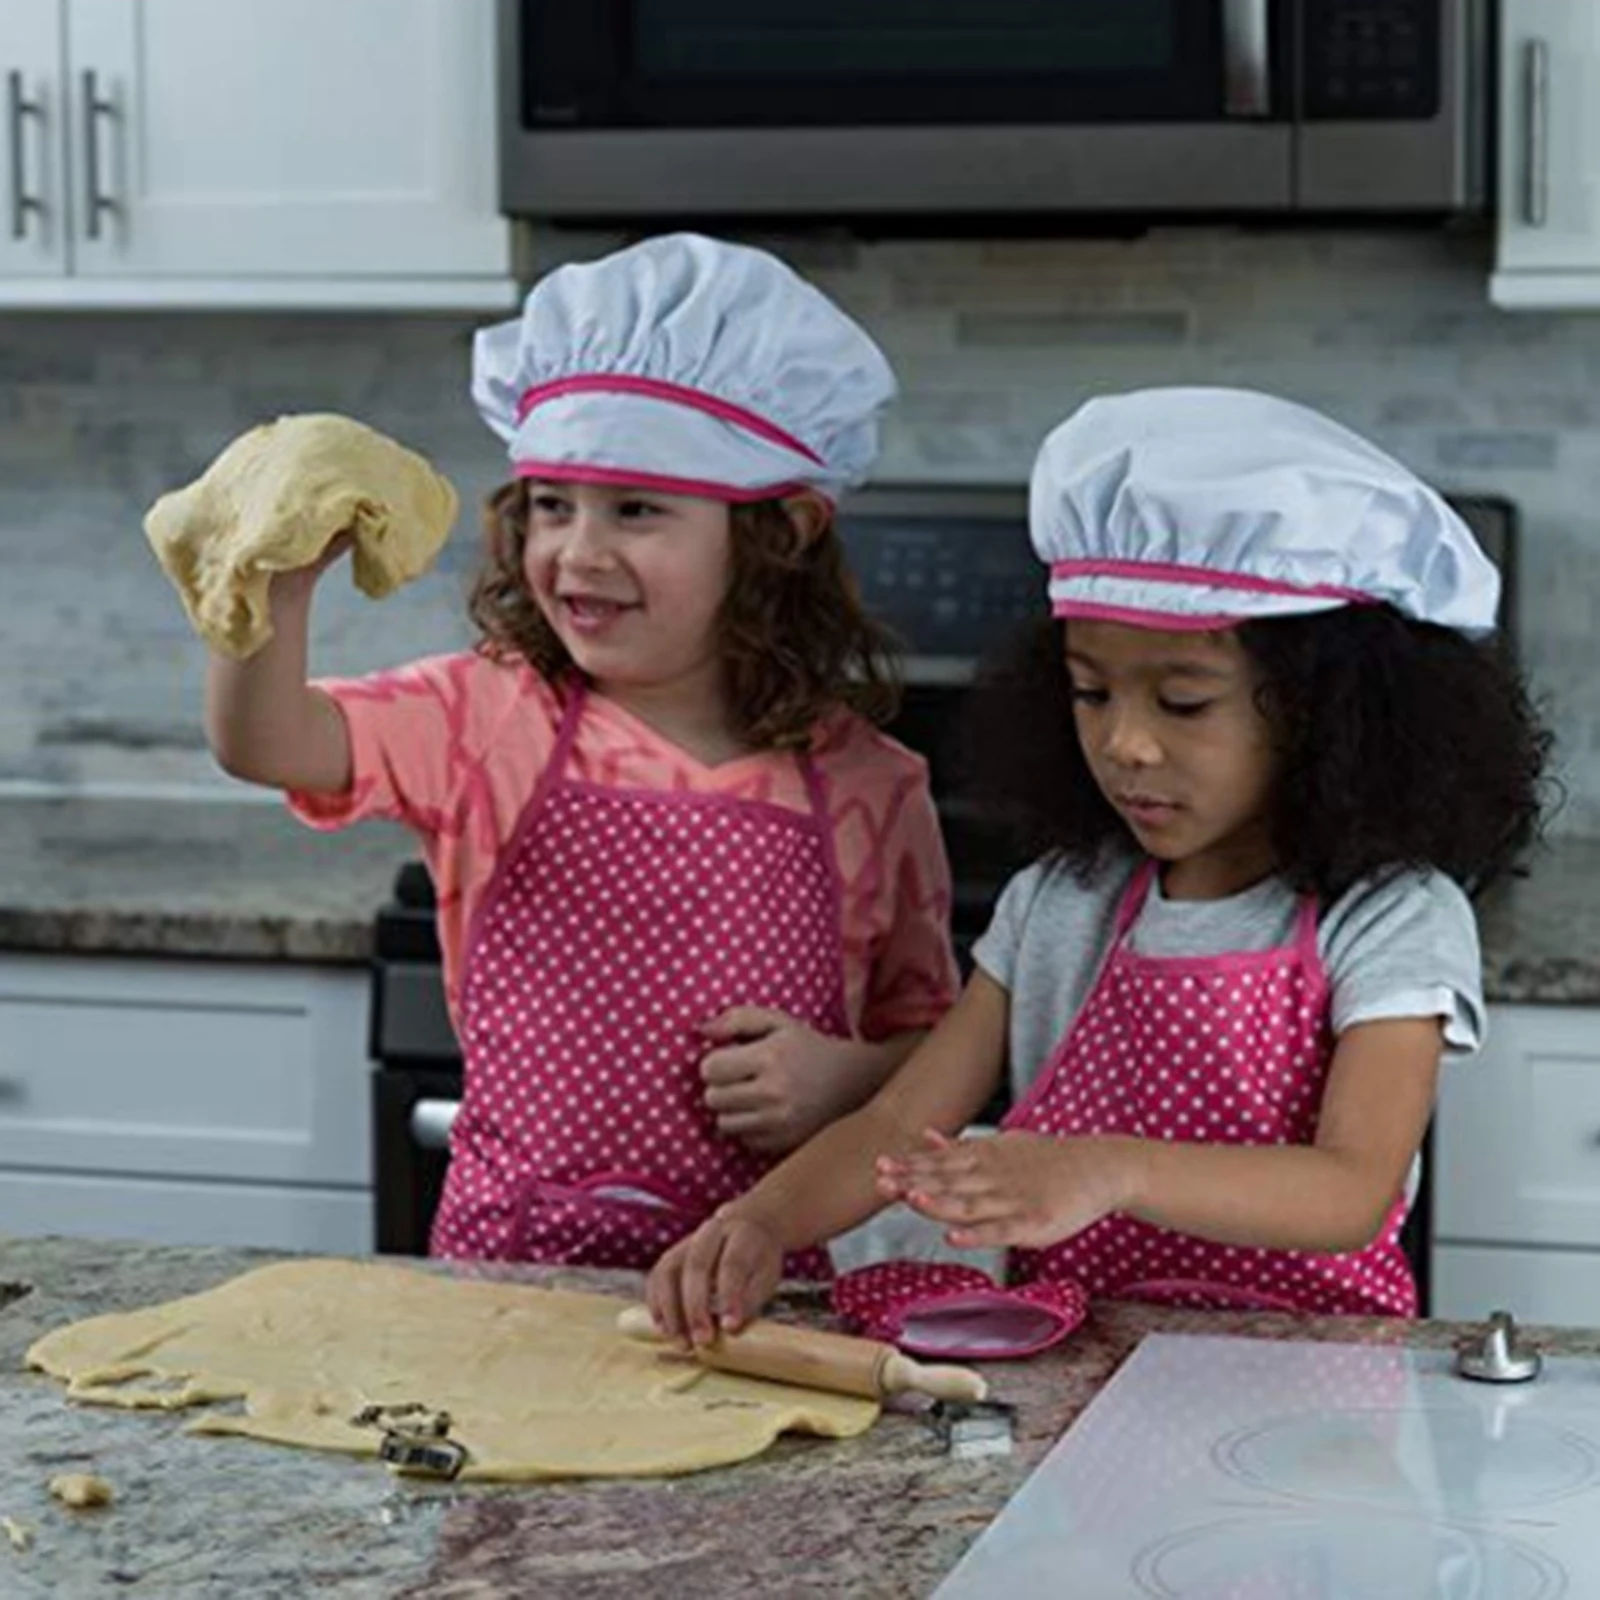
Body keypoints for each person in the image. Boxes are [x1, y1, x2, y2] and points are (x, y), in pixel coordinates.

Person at [647, 386, 1551, 1344]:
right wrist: (760, 1222)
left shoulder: (1390, 917)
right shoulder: (1060, 904)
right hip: (1079, 1364)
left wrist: (1109, 1168)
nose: (1124, 744)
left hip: (1311, 1380)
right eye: (1090, 693)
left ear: (1326, 716)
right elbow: (896, 1125)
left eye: (1184, 703)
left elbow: (1351, 1189)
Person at [203, 234, 959, 1269]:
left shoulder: (873, 783)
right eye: (552, 506)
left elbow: (938, 1046)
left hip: (759, 1294)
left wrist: (847, 1078)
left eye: (636, 509)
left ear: (777, 535)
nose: (578, 552)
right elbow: (267, 743)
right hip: (505, 1275)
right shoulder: (483, 715)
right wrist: (270, 588)